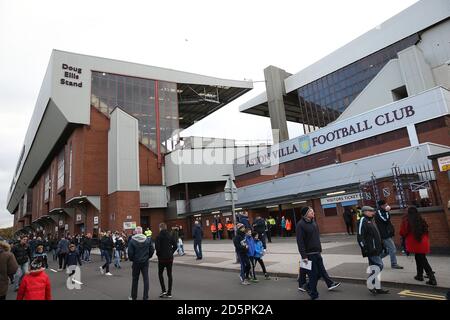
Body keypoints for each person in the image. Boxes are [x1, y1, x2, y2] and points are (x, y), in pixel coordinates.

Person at [296, 207, 341, 300]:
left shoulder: (313, 222)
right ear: (305, 214)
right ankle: (314, 294)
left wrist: (319, 249)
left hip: (317, 253)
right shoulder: (300, 225)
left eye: (313, 211)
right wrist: (304, 256)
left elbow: (315, 238)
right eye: (311, 211)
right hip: (309, 254)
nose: (313, 212)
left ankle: (308, 286)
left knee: (320, 273)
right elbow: (300, 242)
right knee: (313, 275)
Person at [399, 206, 437, 286]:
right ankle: (419, 275)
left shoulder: (406, 220)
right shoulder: (420, 218)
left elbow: (403, 232)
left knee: (422, 259)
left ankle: (432, 278)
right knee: (419, 257)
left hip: (415, 242)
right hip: (423, 241)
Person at [357, 206, 390, 294]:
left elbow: (377, 234)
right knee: (380, 265)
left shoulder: (371, 220)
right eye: (371, 211)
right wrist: (365, 249)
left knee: (375, 269)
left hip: (377, 249)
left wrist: (382, 245)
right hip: (371, 250)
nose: (373, 212)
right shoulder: (362, 220)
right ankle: (370, 282)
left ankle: (377, 287)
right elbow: (360, 237)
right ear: (365, 212)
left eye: (373, 211)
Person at [128, 226, 155, 300]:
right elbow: (152, 250)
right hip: (145, 262)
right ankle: (145, 297)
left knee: (135, 280)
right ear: (142, 232)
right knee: (146, 279)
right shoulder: (147, 240)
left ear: (136, 232)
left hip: (136, 262)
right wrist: (148, 257)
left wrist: (132, 259)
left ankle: (134, 297)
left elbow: (130, 253)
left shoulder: (132, 240)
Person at [375, 200, 403, 269]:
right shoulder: (379, 212)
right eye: (385, 205)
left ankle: (376, 259)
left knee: (388, 250)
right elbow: (385, 219)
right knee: (392, 249)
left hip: (387, 233)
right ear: (382, 206)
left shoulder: (383, 211)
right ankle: (394, 264)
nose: (387, 206)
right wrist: (387, 211)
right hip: (384, 234)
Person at [155, 223, 177, 298]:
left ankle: (164, 290)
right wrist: (171, 252)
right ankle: (169, 292)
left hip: (162, 259)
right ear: (166, 228)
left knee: (160, 274)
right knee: (169, 274)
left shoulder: (158, 237)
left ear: (160, 228)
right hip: (170, 258)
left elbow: (157, 249)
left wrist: (159, 255)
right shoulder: (170, 235)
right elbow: (175, 246)